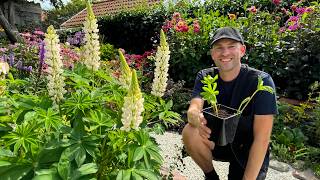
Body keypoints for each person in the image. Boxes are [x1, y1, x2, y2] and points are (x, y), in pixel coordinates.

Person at [182, 27, 278, 180]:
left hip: (247, 150)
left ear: (242, 50)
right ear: (213, 54)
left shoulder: (261, 81)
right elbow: (195, 106)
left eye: (231, 46)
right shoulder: (206, 76)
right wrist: (195, 116)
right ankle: (211, 177)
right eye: (219, 48)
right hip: (217, 143)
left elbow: (262, 138)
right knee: (190, 130)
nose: (225, 53)